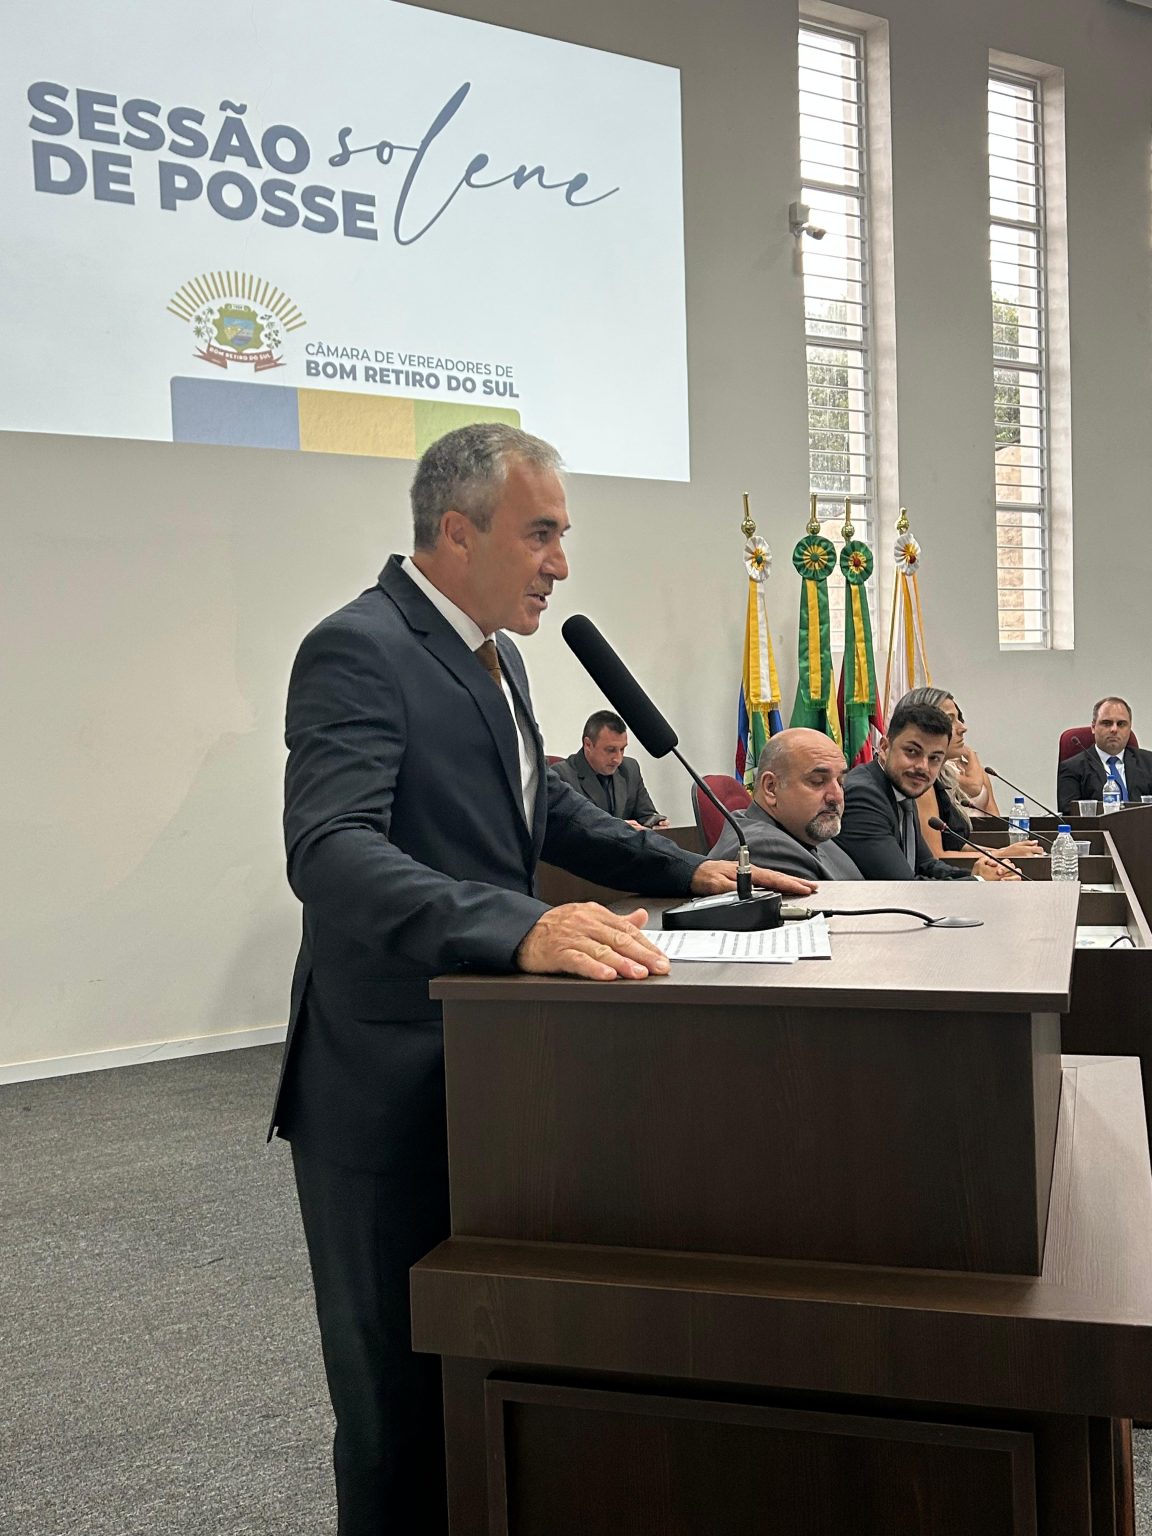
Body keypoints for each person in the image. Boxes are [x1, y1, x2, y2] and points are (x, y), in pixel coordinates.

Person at [270, 423, 815, 1535]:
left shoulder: (499, 655)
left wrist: (690, 868)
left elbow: (543, 809)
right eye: (541, 534)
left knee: (490, 1362)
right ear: (457, 532)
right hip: (384, 1079)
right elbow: (329, 850)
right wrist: (522, 926)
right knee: (394, 1403)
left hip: (500, 1067)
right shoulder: (357, 648)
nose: (561, 563)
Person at [834, 700, 1016, 881]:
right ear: (884, 748)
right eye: (912, 752)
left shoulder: (903, 788)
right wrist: (979, 881)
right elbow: (902, 885)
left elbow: (926, 864)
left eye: (934, 758)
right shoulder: (864, 796)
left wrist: (978, 875)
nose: (923, 767)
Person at [899, 687, 1041, 861]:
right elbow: (936, 856)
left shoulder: (941, 778)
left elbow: (957, 845)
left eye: (959, 718)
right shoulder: (920, 784)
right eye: (950, 720)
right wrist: (1000, 855)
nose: (963, 728)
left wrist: (1005, 852)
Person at [707, 729, 863, 879]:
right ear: (771, 788)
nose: (836, 796)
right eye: (818, 781)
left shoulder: (803, 830)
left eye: (841, 782)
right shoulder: (766, 850)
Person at [552, 710, 668, 828]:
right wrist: (618, 828)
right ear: (588, 745)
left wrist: (655, 823)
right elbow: (570, 827)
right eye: (610, 750)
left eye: (622, 749)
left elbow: (646, 815)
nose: (618, 759)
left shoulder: (630, 768)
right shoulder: (562, 775)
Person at [1057, 696, 1152, 811]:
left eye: (1121, 724)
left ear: (1129, 728)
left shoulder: (1149, 762)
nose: (1114, 729)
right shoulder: (1072, 768)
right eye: (1107, 723)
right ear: (1093, 727)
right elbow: (1069, 814)